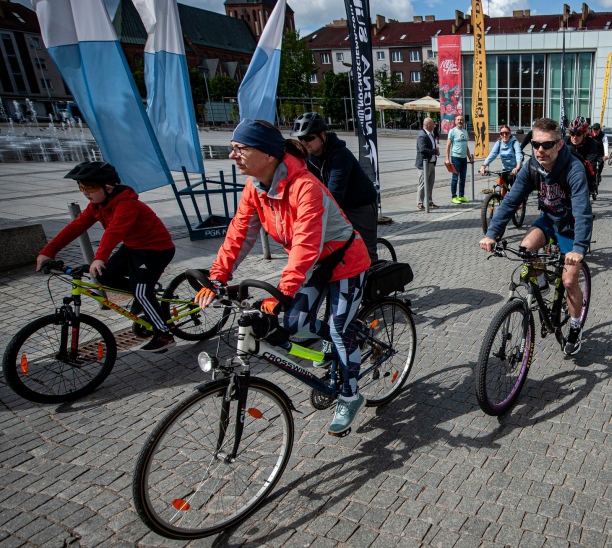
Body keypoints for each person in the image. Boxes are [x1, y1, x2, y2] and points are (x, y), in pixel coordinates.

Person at [196, 119, 372, 436]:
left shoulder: (305, 186)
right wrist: (217, 276)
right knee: (293, 322)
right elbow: (239, 233)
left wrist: (285, 290)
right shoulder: (255, 187)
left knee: (338, 328)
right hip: (313, 266)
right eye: (232, 148)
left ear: (267, 154)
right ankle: (339, 341)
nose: (233, 155)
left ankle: (350, 395)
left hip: (345, 262)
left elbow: (306, 242)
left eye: (240, 148)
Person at [479, 118, 593, 357]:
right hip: (549, 221)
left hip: (570, 228)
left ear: (559, 144)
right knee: (525, 248)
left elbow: (583, 212)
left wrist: (579, 248)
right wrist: (492, 233)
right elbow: (511, 201)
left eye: (547, 144)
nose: (540, 149)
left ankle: (575, 326)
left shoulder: (573, 169)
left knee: (569, 281)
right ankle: (541, 284)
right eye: (535, 144)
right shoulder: (532, 167)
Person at [36, 161, 176, 352]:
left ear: (108, 187)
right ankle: (143, 295)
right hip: (132, 248)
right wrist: (48, 251)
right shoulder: (97, 206)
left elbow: (114, 231)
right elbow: (76, 226)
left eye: (91, 187)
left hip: (155, 250)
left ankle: (164, 334)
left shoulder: (127, 204)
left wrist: (100, 257)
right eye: (82, 187)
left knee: (142, 292)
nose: (86, 192)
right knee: (104, 275)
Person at [291, 112, 379, 262]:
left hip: (360, 206)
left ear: (323, 136)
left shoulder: (340, 155)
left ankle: (373, 273)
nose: (304, 143)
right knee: (337, 252)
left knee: (366, 250)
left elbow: (334, 195)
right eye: (300, 139)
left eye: (309, 138)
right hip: (338, 205)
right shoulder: (308, 158)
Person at [568, 116, 602, 193]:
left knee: (589, 171)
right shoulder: (566, 142)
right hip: (569, 168)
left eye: (578, 134)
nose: (574, 137)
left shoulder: (591, 142)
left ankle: (590, 187)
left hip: (584, 166)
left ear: (584, 134)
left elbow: (592, 161)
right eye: (572, 133)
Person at [445, 115, 474, 203]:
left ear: (463, 121)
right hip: (455, 158)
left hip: (463, 158)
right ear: (455, 121)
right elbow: (448, 146)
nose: (460, 121)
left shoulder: (465, 132)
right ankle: (454, 196)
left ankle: (461, 196)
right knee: (455, 178)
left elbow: (466, 146)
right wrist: (447, 158)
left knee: (463, 178)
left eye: (461, 120)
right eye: (458, 120)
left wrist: (469, 157)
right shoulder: (452, 131)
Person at [415, 117, 439, 210]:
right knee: (423, 184)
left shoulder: (430, 134)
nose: (434, 125)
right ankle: (419, 203)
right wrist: (434, 151)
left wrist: (435, 153)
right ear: (428, 125)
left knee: (430, 184)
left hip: (431, 163)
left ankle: (429, 202)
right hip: (424, 164)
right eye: (433, 124)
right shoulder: (422, 135)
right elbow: (422, 149)